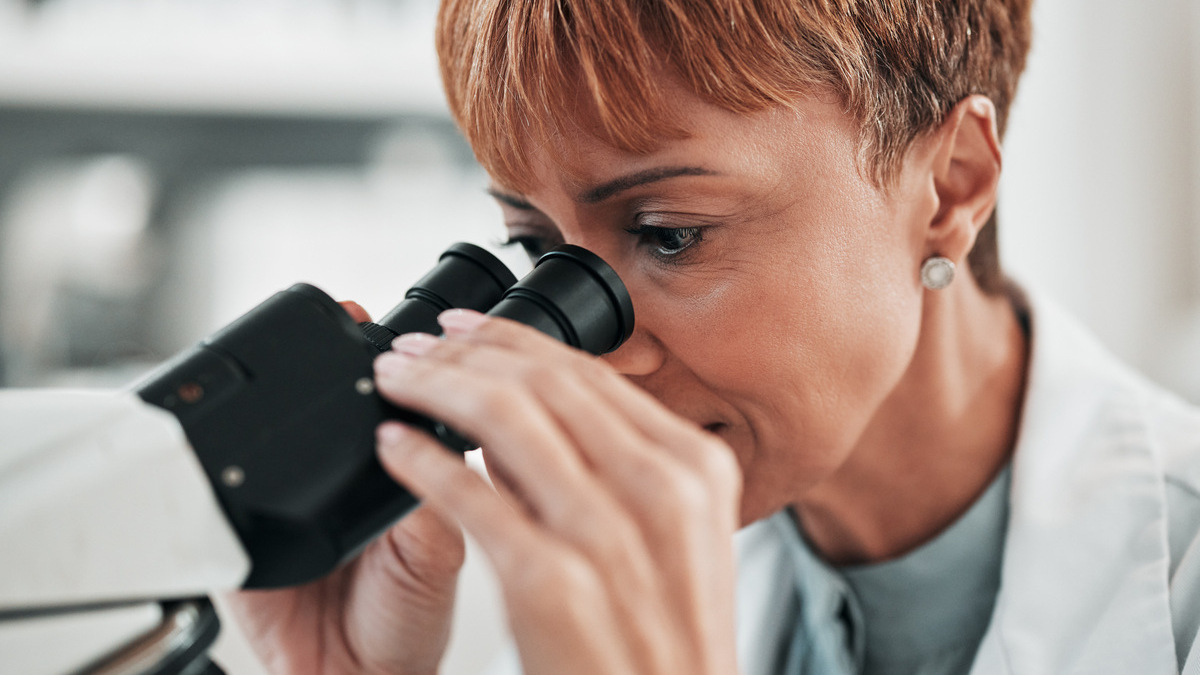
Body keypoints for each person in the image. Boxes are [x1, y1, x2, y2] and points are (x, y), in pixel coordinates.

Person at [226, 0, 1200, 673]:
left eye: (668, 235)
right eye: (535, 249)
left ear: (949, 187)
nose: (586, 348)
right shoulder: (614, 570)